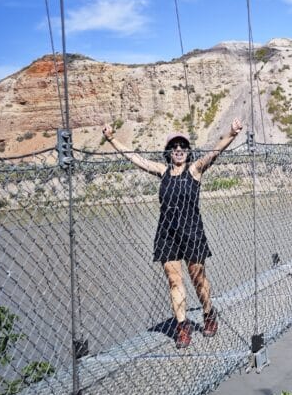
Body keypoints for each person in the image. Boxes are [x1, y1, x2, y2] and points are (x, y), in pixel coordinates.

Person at [102, 118, 244, 349]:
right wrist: (112, 139)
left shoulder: (195, 169)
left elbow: (216, 152)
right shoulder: (163, 171)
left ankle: (208, 314)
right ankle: (183, 327)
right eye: (174, 147)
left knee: (198, 279)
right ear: (169, 152)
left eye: (182, 147)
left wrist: (232, 133)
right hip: (167, 233)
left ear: (187, 151)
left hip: (192, 231)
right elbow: (135, 158)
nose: (178, 150)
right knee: (174, 281)